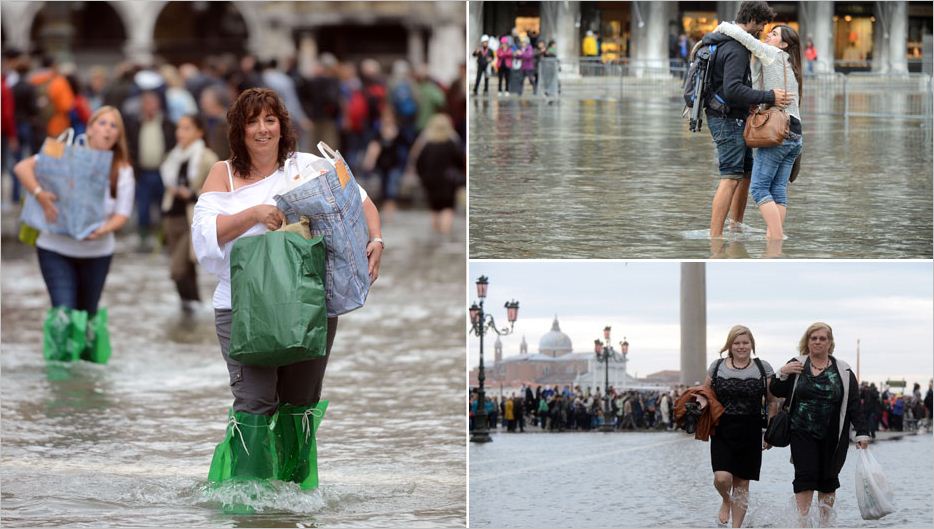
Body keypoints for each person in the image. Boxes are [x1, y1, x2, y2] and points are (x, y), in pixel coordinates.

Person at [191, 88, 383, 490]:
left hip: (310, 306)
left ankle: (293, 497)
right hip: (243, 307)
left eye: (270, 120)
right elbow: (205, 239)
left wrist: (377, 240)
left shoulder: (308, 165)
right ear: (238, 130)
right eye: (252, 122)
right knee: (255, 404)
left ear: (282, 125)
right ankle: (249, 499)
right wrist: (254, 215)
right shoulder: (221, 173)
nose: (262, 130)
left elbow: (359, 202)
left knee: (300, 404)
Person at [13, 106, 134, 361]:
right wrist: (40, 195)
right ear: (89, 128)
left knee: (88, 315)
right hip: (55, 247)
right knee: (63, 311)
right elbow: (22, 167)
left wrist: (103, 229)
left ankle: (87, 376)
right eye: (102, 123)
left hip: (98, 250)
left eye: (114, 126)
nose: (107, 130)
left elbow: (122, 214)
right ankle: (58, 374)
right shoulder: (64, 151)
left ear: (118, 135)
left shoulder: (121, 169)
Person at [699, 1, 790, 239]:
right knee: (730, 176)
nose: (761, 30)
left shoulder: (727, 43)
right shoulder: (736, 49)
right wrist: (768, 96)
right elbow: (732, 90)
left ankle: (735, 226)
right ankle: (715, 236)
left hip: (733, 116)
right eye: (760, 25)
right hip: (726, 118)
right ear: (750, 20)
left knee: (745, 172)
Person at [770, 322, 870, 526]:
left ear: (830, 342)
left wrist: (861, 432)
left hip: (833, 433)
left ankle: (825, 524)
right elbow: (777, 390)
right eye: (813, 338)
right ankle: (803, 522)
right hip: (801, 431)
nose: (817, 342)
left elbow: (853, 404)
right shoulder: (797, 363)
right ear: (807, 341)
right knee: (805, 476)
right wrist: (783, 372)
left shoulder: (843, 370)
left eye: (822, 338)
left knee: (828, 479)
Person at [714, 23, 804, 242]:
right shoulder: (793, 66)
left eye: (774, 34)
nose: (767, 36)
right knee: (778, 191)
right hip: (795, 134)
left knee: (759, 188)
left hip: (776, 132)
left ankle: (776, 237)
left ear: (783, 44)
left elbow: (743, 37)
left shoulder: (772, 54)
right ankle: (772, 245)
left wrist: (723, 26)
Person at [705, 325, 775, 527]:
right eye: (737, 343)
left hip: (751, 430)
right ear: (729, 345)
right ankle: (726, 500)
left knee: (743, 484)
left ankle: (736, 527)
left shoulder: (763, 368)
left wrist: (769, 431)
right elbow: (706, 394)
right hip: (722, 429)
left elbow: (772, 401)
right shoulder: (717, 366)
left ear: (752, 344)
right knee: (722, 478)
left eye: (745, 342)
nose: (741, 346)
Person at [160, 114, 218, 312]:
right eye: (179, 128)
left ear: (199, 132)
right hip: (172, 215)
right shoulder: (173, 156)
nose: (180, 133)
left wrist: (192, 194)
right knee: (185, 269)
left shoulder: (208, 158)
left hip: (192, 217)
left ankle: (192, 307)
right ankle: (190, 307)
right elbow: (168, 183)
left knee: (177, 269)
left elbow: (217, 190)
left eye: (186, 128)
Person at [125, 90, 175, 251]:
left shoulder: (167, 123)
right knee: (143, 207)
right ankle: (143, 238)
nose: (150, 107)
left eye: (152, 103)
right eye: (146, 104)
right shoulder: (136, 124)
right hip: (143, 172)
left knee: (163, 206)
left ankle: (164, 237)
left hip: (162, 171)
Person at [409, 114, 465, 238]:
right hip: (448, 181)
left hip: (431, 182)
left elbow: (418, 162)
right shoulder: (452, 143)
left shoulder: (427, 144)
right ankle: (445, 237)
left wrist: (423, 178)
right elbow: (460, 161)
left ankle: (435, 238)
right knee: (447, 208)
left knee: (434, 209)